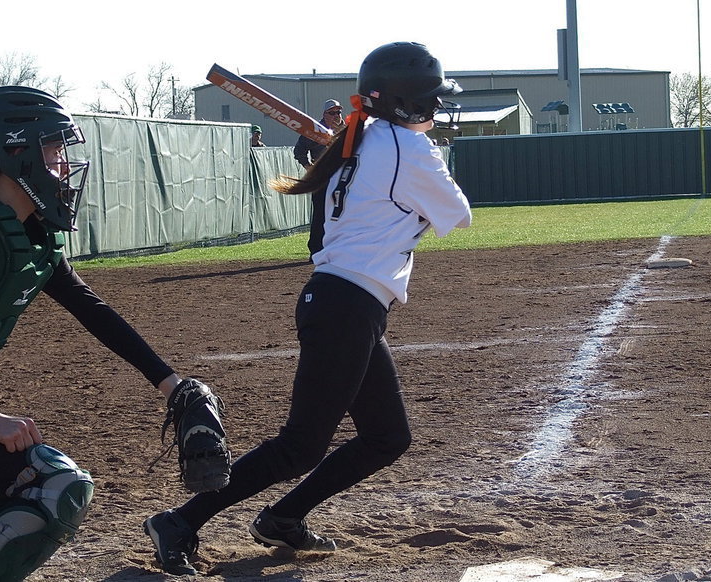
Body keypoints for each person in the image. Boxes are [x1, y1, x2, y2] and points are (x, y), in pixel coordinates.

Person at [143, 42, 471, 576]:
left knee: (387, 437)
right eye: (431, 101)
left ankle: (284, 516)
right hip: (346, 305)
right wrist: (414, 149)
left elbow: (331, 231)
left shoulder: (357, 141)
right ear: (407, 103)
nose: (437, 110)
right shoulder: (405, 149)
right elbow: (458, 214)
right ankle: (180, 522)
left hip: (345, 302)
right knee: (300, 446)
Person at [0, 86, 229, 581]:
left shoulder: (28, 232)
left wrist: (173, 386)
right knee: (52, 486)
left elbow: (94, 311)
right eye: (53, 151)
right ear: (16, 151)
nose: (64, 166)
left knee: (20, 487)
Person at [293, 99, 345, 260]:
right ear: (324, 114)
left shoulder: (346, 130)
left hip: (342, 176)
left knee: (342, 213)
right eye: (332, 113)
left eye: (338, 112)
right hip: (322, 177)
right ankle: (316, 249)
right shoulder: (315, 130)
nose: (336, 116)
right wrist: (309, 167)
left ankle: (338, 248)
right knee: (320, 214)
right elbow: (299, 151)